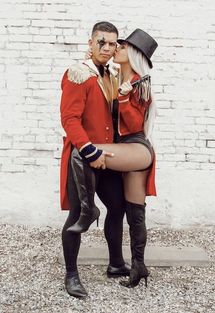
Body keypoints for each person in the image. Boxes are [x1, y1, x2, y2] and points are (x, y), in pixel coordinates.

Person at [68, 28, 158, 288]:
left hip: (136, 148)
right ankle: (137, 266)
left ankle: (88, 211)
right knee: (134, 210)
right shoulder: (117, 75)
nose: (115, 48)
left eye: (122, 46)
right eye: (114, 44)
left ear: (133, 54)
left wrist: (126, 97)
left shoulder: (140, 83)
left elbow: (133, 124)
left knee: (81, 152)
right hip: (124, 152)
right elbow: (97, 75)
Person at [60, 21, 131, 299]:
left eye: (112, 43)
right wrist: (90, 151)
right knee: (78, 216)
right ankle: (71, 274)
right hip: (83, 157)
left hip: (109, 157)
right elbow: (69, 119)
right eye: (101, 42)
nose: (106, 47)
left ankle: (115, 264)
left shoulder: (114, 73)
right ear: (90, 43)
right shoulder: (78, 73)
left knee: (118, 207)